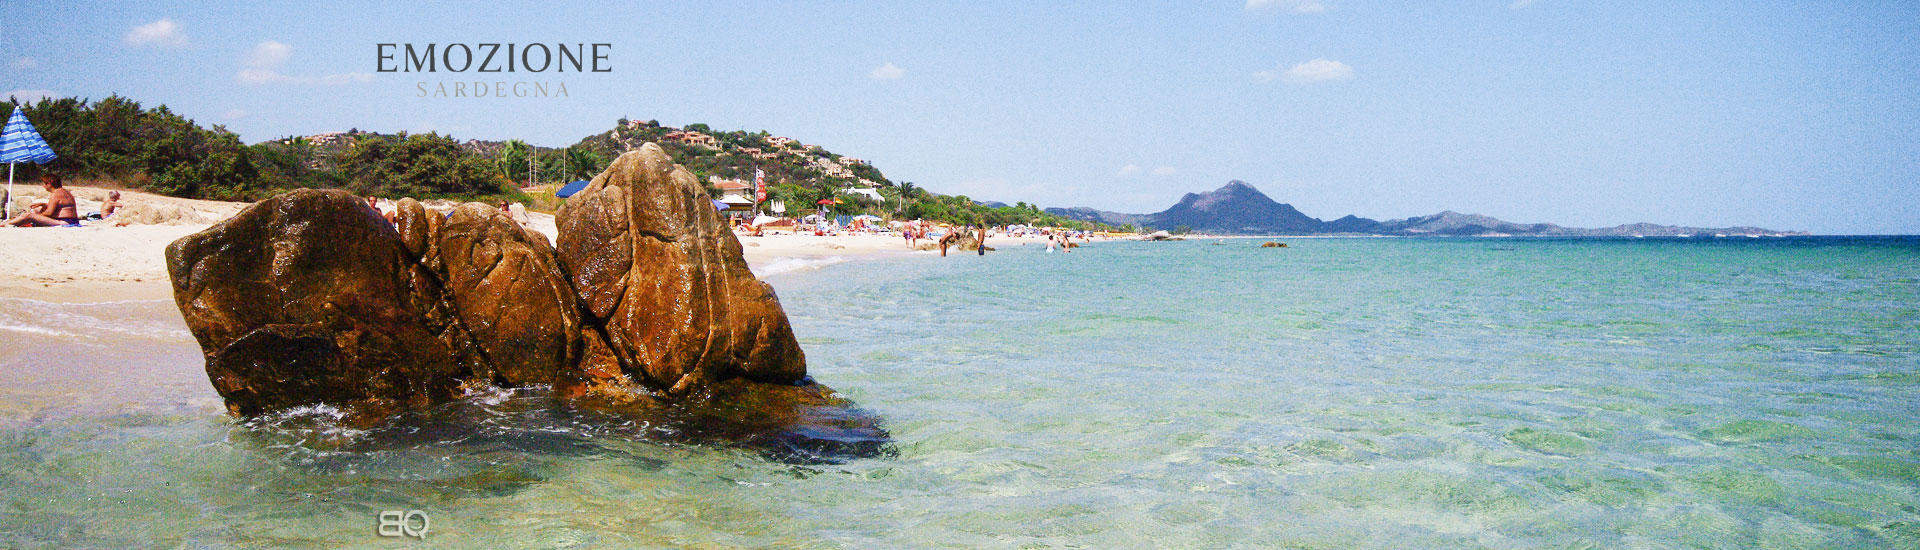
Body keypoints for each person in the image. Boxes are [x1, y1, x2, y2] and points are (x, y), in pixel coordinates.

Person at [5, 174, 81, 227]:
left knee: (29, 215)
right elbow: (61, 207)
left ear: (49, 184)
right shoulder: (65, 191)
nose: (43, 186)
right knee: (35, 210)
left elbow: (49, 213)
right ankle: (12, 222)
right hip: (73, 221)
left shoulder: (56, 194)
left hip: (64, 222)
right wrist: (43, 204)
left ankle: (3, 224)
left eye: (44, 184)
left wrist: (35, 217)